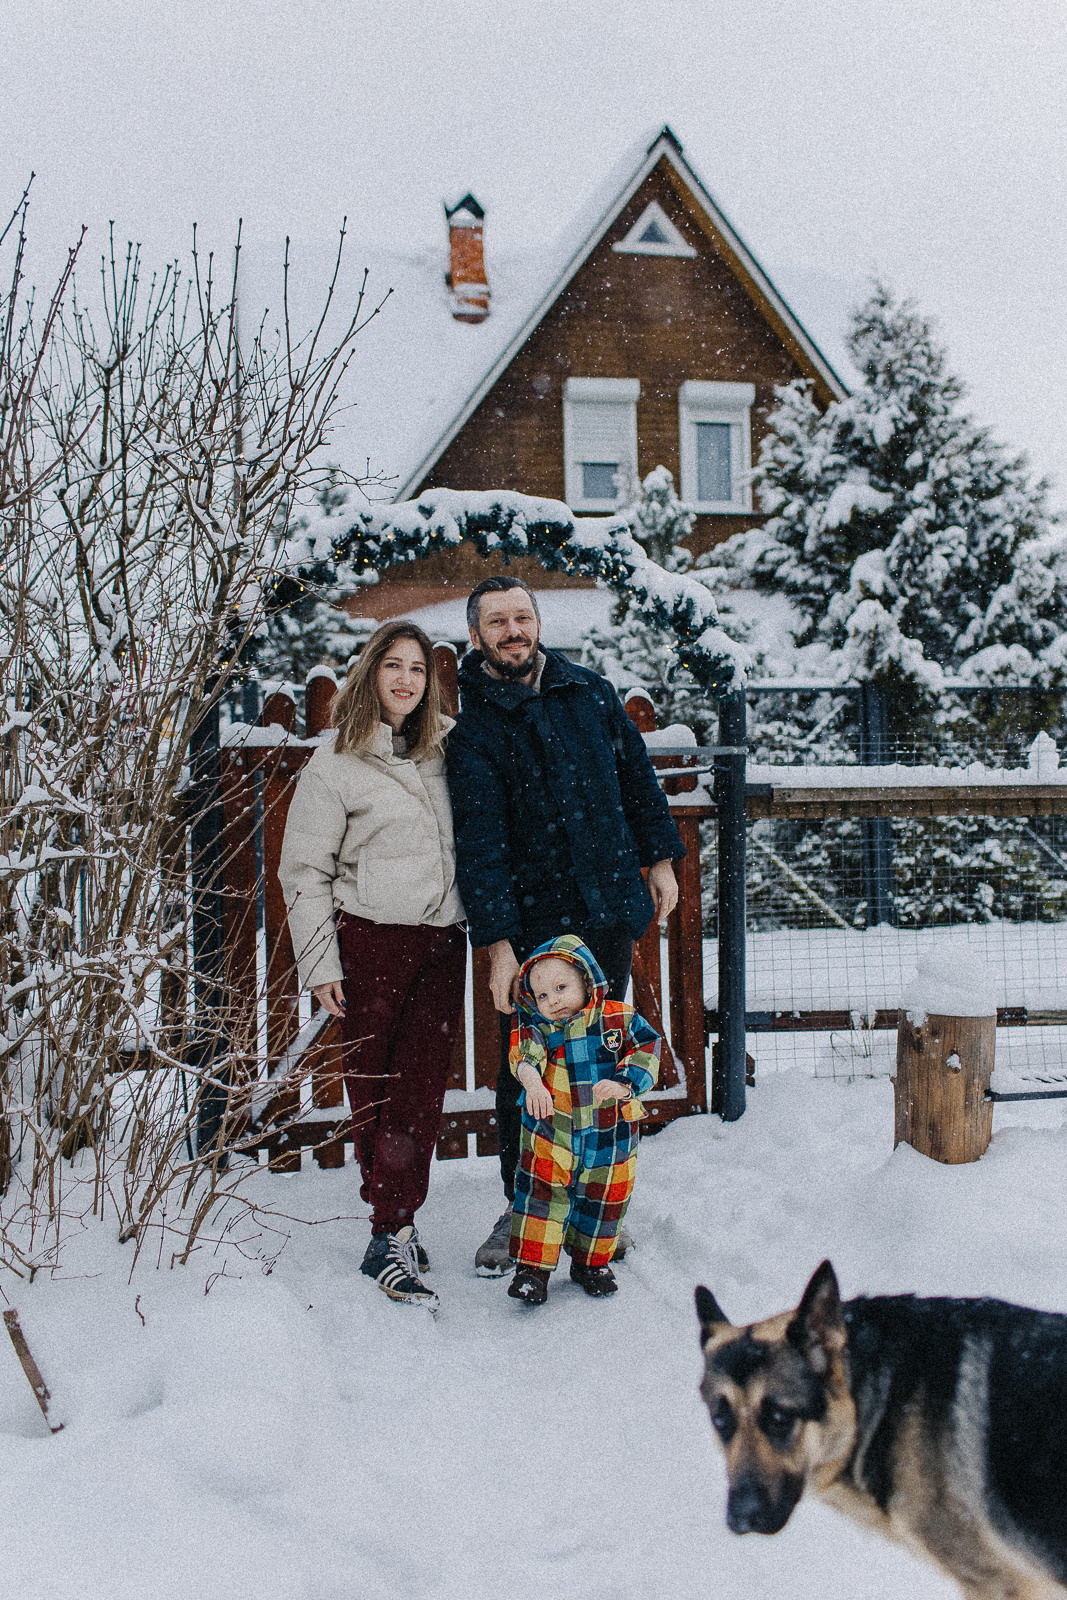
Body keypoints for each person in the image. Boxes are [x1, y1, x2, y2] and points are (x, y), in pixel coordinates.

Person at [445, 575, 685, 1274]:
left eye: (521, 616)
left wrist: (661, 860)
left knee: (605, 1059)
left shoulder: (589, 693)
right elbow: (480, 847)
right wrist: (497, 946)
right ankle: (524, 1207)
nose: (512, 630)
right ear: (476, 635)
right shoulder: (475, 731)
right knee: (529, 1068)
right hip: (536, 927)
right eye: (497, 621)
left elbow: (636, 779)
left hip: (607, 907)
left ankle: (595, 1206)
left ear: (537, 622)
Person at [278, 620, 465, 1311]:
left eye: (417, 668)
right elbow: (302, 870)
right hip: (371, 945)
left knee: (420, 1091)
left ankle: (398, 1221)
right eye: (392, 665)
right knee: (375, 1090)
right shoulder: (334, 763)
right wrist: (320, 960)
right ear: (369, 674)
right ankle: (388, 1230)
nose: (406, 680)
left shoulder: (446, 752)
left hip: (443, 945)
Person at [506, 936, 660, 1306]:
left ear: (586, 981)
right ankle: (532, 1270)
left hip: (610, 1136)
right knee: (540, 1197)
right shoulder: (538, 1026)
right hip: (552, 1133)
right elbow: (524, 1054)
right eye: (542, 995)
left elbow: (646, 1047)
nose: (553, 1000)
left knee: (605, 1198)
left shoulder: (617, 1018)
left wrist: (625, 1083)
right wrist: (532, 1083)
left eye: (561, 988)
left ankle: (591, 1263)